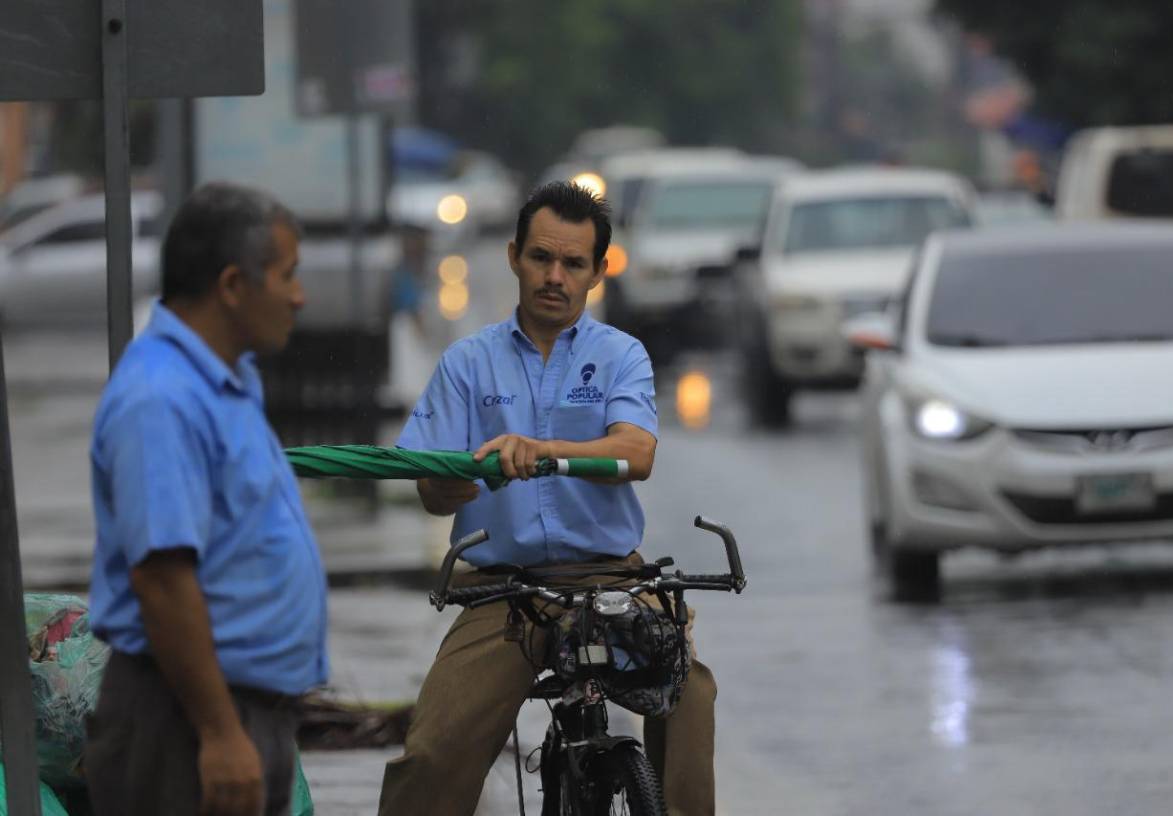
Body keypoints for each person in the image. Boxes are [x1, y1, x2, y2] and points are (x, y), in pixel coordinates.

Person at [377, 182, 717, 815]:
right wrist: (462, 476)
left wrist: (540, 449)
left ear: (596, 272)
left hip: (611, 577)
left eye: (573, 264)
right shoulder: (465, 365)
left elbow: (634, 454)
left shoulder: (622, 356)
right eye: (541, 258)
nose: (554, 276)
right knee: (433, 753)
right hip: (503, 591)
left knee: (689, 689)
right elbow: (431, 489)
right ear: (513, 256)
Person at [84, 183, 328, 816]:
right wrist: (220, 733)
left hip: (240, 712)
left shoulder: (226, 379)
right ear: (231, 284)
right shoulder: (161, 398)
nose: (299, 296)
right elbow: (162, 578)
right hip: (184, 721)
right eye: (287, 275)